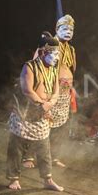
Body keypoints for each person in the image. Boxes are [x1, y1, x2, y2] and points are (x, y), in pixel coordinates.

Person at [6, 33, 64, 191]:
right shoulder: (29, 66)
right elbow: (27, 90)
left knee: (44, 149)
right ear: (44, 52)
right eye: (55, 53)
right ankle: (14, 179)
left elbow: (56, 91)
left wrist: (50, 103)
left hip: (42, 113)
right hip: (24, 114)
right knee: (16, 148)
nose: (57, 57)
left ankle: (48, 180)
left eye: (58, 54)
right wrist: (42, 104)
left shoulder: (53, 68)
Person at [23, 15, 76, 168]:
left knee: (60, 125)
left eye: (71, 29)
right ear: (56, 29)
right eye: (65, 28)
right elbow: (36, 65)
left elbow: (72, 69)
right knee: (41, 121)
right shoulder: (48, 44)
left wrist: (71, 88)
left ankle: (53, 156)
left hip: (64, 91)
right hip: (48, 89)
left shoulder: (71, 49)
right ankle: (29, 156)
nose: (68, 32)